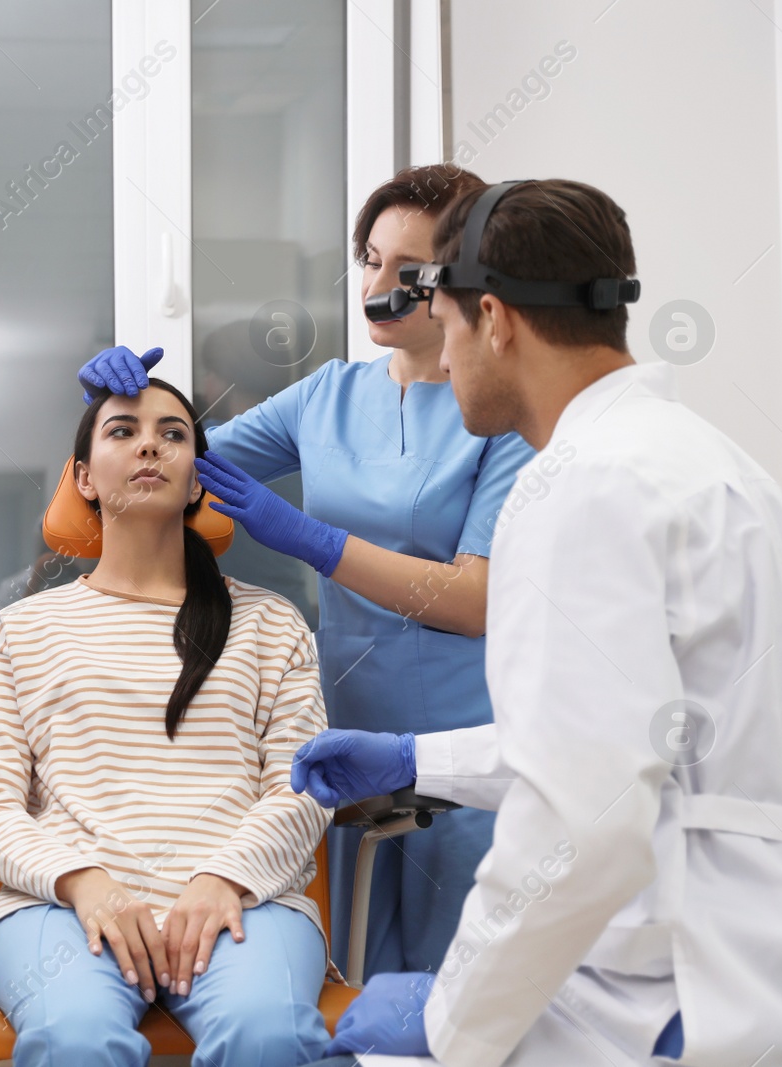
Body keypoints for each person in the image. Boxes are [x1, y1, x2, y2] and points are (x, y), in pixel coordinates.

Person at [295, 179, 782, 1066]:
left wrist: (452, 1016)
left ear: (493, 318)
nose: (445, 363)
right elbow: (631, 739)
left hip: (692, 995)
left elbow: (582, 816)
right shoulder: (708, 463)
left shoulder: (579, 488)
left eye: (448, 329)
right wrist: (422, 759)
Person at [79, 164, 537, 978]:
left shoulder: (499, 416)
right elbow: (164, 473)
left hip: (467, 759)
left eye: (406, 272)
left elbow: (475, 600)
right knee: (355, 993)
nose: (377, 286)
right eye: (367, 260)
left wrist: (313, 540)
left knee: (465, 1008)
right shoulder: (324, 396)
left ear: (464, 280)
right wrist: (124, 415)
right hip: (345, 752)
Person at [0, 378, 335, 1067]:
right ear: (84, 478)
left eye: (173, 433)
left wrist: (223, 878)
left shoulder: (269, 622)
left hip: (241, 902)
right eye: (123, 431)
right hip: (66, 910)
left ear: (197, 481)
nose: (150, 446)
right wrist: (85, 880)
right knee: (77, 1038)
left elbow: (301, 788)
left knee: (268, 1035)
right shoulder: (22, 629)